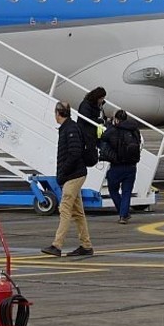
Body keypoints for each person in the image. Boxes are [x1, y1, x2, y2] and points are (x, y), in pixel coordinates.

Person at [42, 101, 93, 257]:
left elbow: (74, 153)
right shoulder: (68, 127)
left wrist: (63, 172)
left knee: (64, 209)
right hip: (75, 174)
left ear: (58, 113)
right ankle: (86, 245)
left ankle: (57, 245)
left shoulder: (70, 129)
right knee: (78, 212)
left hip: (73, 175)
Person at [102, 109, 142, 224]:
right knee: (127, 192)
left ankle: (123, 212)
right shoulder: (134, 130)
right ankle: (123, 215)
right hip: (131, 165)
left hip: (117, 165)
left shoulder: (114, 130)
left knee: (113, 190)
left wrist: (109, 124)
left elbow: (103, 137)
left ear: (116, 119)